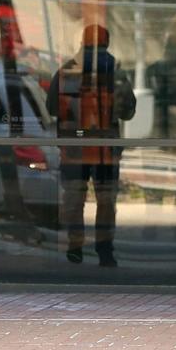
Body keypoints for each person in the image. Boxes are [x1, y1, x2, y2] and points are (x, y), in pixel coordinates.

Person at [46, 24, 136, 267]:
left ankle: (75, 247)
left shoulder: (66, 71)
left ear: (82, 42)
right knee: (106, 200)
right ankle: (104, 249)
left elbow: (51, 108)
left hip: (74, 149)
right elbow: (128, 111)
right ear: (106, 43)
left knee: (74, 198)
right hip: (105, 148)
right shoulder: (116, 72)